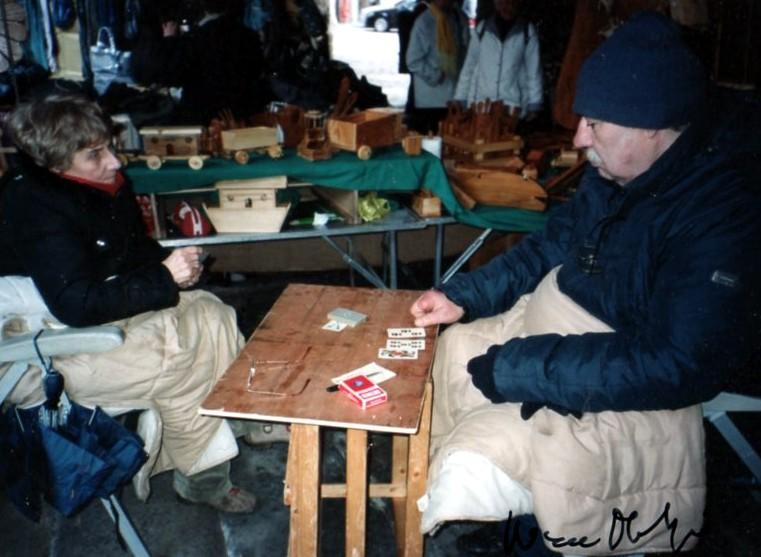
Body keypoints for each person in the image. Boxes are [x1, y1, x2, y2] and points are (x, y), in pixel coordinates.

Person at [409, 12, 761, 556]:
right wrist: (463, 296)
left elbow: (676, 361)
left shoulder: (721, 213)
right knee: (448, 354)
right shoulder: (616, 170)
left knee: (471, 466)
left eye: (594, 123)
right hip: (560, 334)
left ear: (653, 126)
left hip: (621, 370)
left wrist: (522, 368)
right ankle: (429, 493)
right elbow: (555, 243)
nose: (578, 138)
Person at [0, 94, 288, 514]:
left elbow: (128, 252)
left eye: (110, 147)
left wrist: (175, 267)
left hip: (75, 320)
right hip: (32, 353)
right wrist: (164, 278)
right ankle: (203, 478)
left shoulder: (93, 185)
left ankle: (244, 422)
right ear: (53, 162)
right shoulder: (33, 205)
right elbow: (75, 304)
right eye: (95, 154)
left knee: (213, 314)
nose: (114, 162)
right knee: (185, 352)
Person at [131, 0, 269, 124]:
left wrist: (169, 41)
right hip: (242, 115)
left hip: (202, 117)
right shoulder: (249, 36)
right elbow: (257, 72)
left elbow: (172, 75)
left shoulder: (194, 39)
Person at [453, 0, 543, 121]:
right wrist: (460, 98)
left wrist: (534, 104)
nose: (507, 6)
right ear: (496, 3)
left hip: (513, 107)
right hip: (481, 106)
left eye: (511, 2)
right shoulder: (482, 29)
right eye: (503, 2)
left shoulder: (527, 31)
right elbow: (469, 65)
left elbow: (533, 71)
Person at [405, 0, 469, 134]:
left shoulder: (459, 18)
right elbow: (413, 60)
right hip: (430, 100)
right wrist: (436, 75)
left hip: (454, 97)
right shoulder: (424, 22)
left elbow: (466, 52)